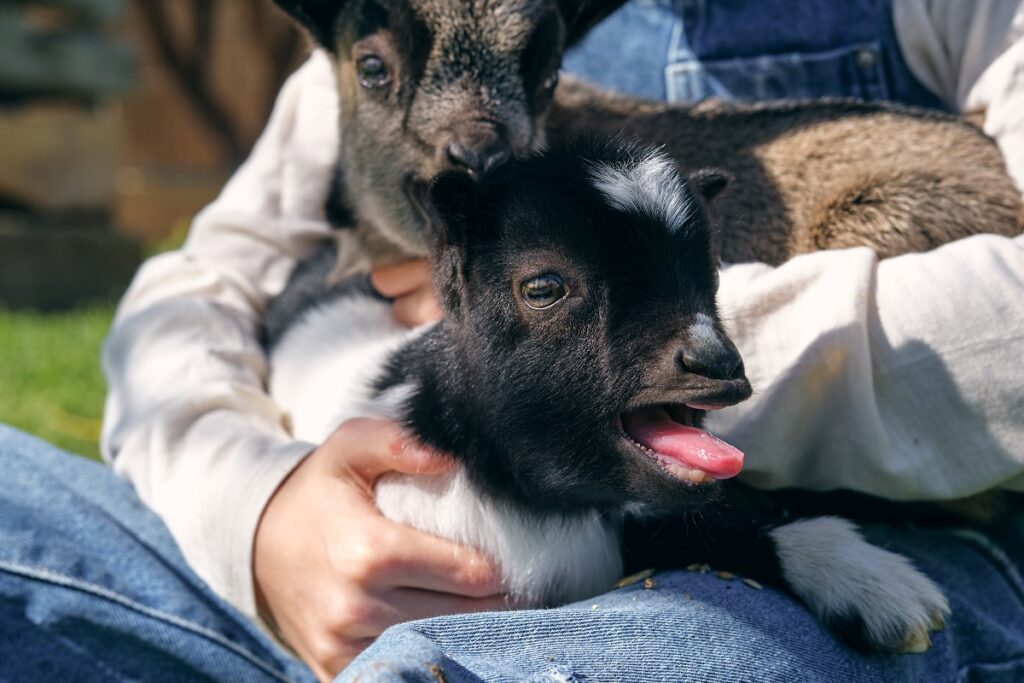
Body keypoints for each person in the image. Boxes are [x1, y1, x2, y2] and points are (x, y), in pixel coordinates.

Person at [2, 0, 1022, 681]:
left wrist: (588, 350)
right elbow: (190, 294)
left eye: (530, 64)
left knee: (554, 658)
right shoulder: (388, 40)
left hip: (780, 557)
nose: (470, 128)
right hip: (370, 579)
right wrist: (262, 522)